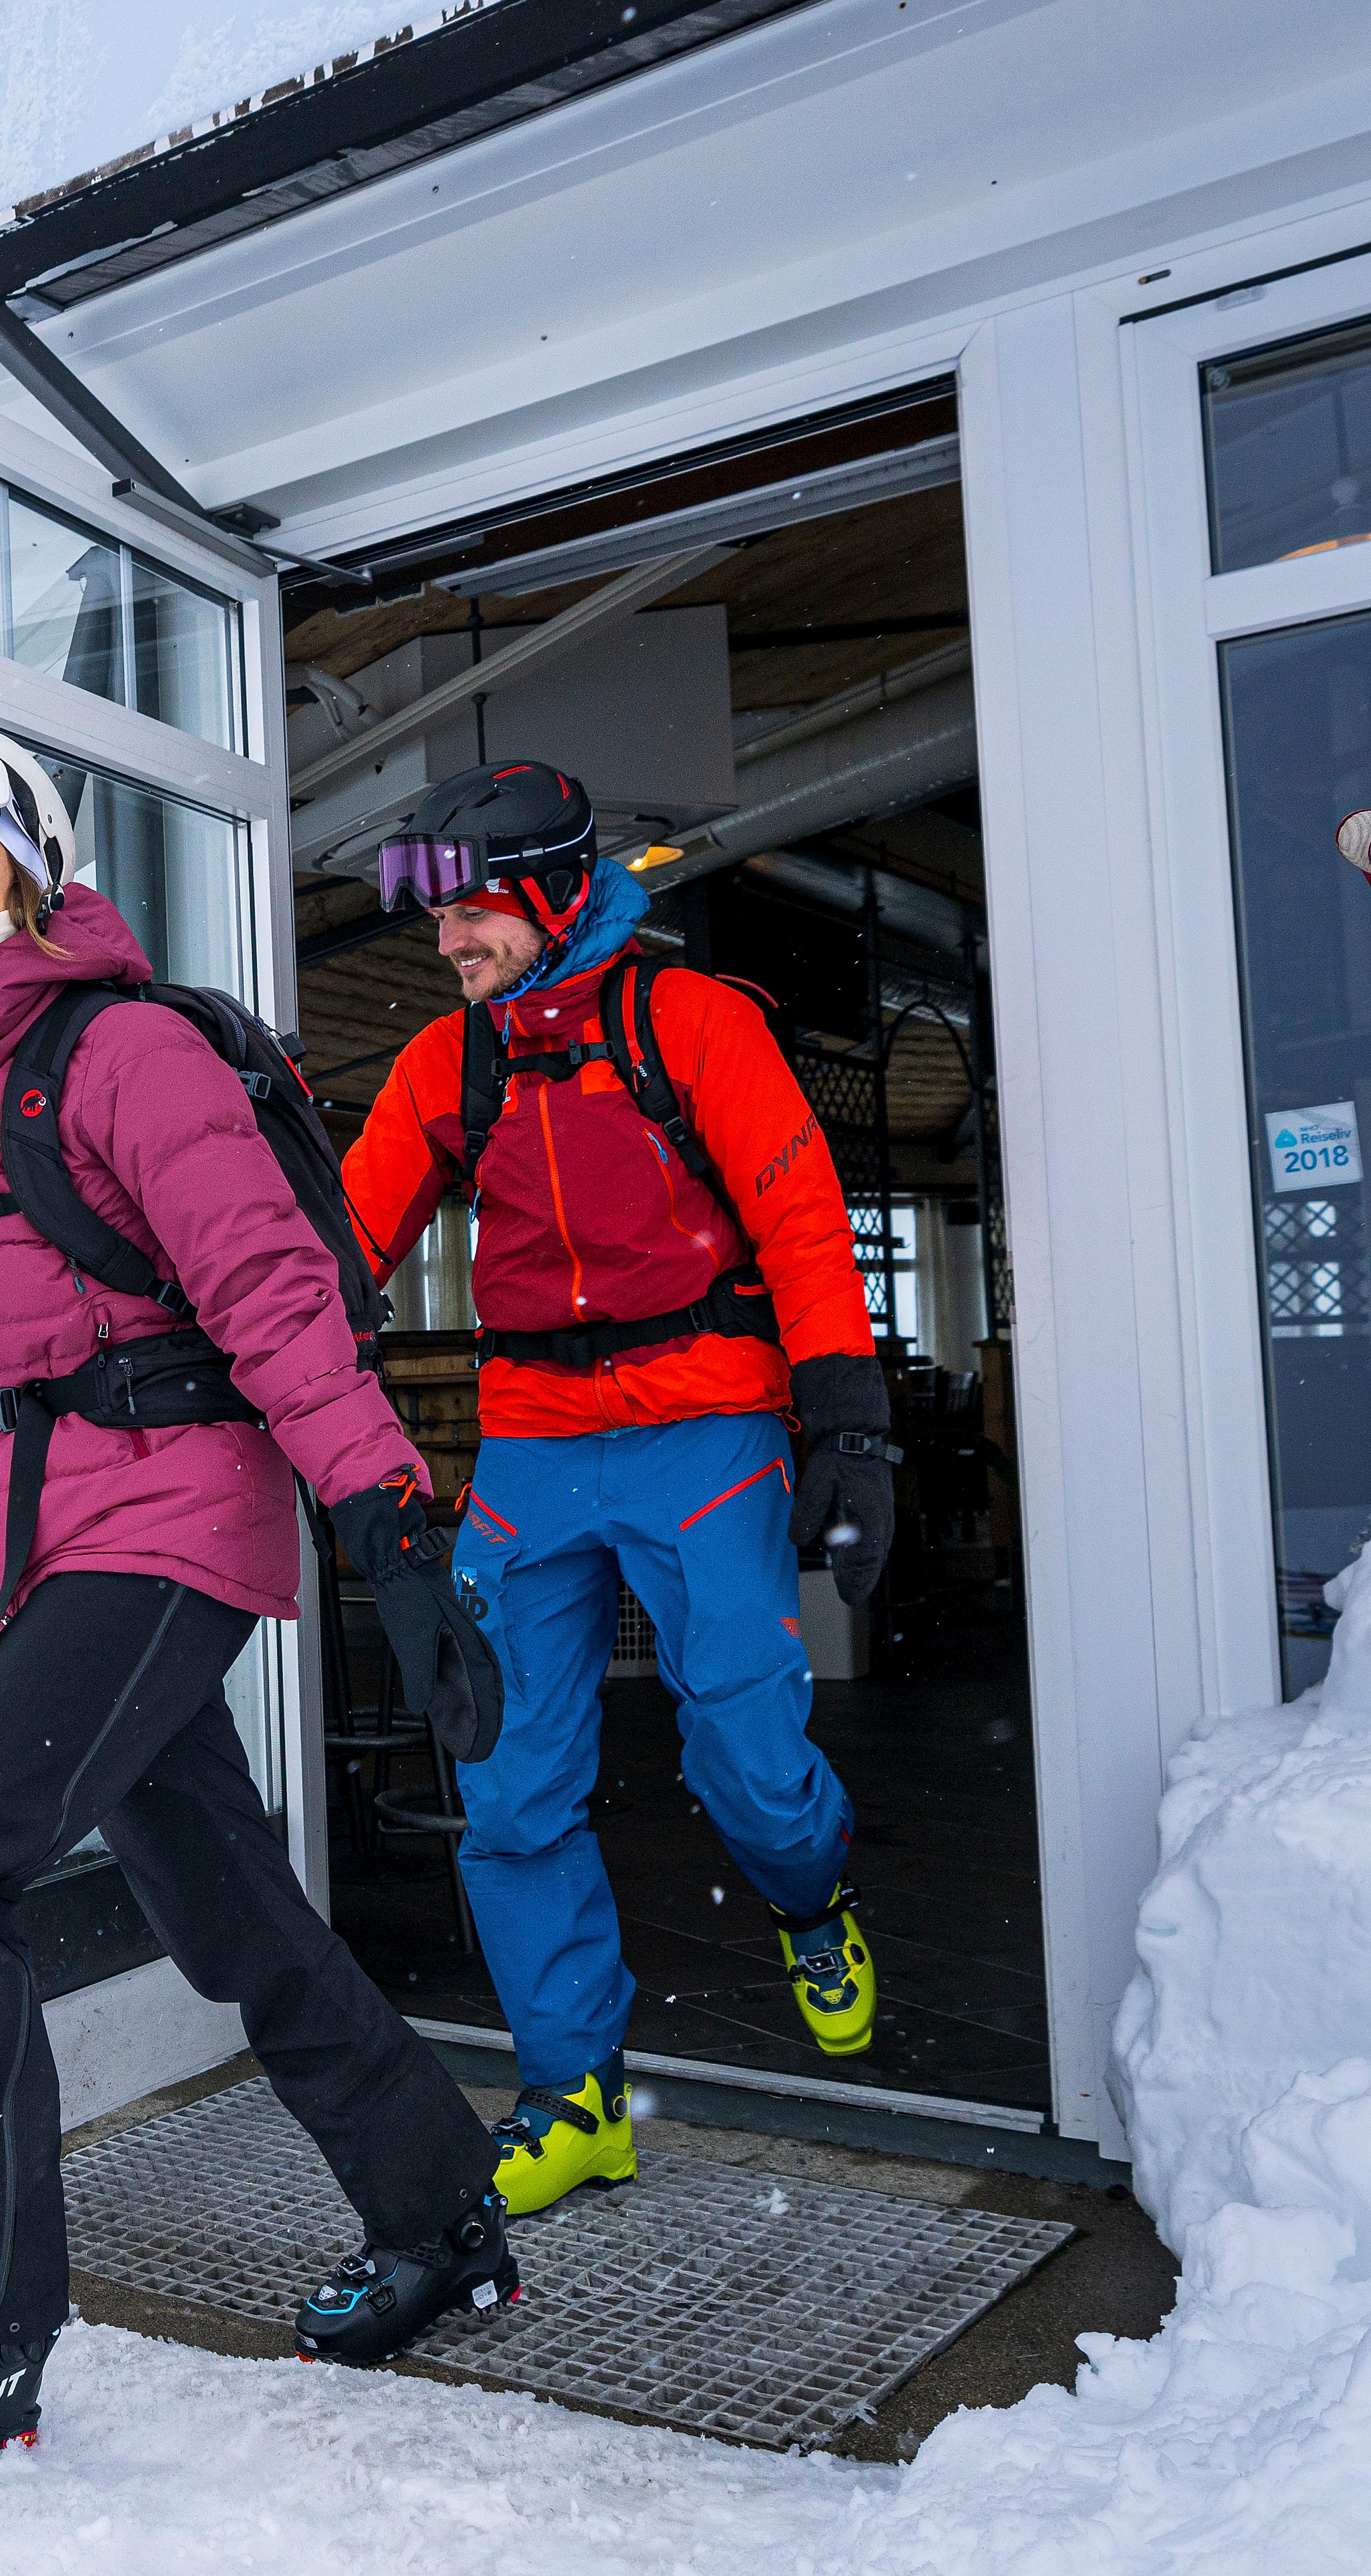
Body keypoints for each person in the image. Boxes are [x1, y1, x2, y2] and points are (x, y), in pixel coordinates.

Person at [0, 726, 516, 2452]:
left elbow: (265, 1290)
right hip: (64, 1534)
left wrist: (390, 1527)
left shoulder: (121, 1048)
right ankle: (440, 2220)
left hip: (168, 1515)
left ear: (35, 865)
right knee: (227, 1906)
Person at [339, 759, 896, 2220]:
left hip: (709, 1423)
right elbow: (346, 1241)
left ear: (556, 893)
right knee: (508, 1779)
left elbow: (798, 1211)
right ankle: (575, 2095)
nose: (450, 949)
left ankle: (808, 1896)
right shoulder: (448, 1065)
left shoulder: (688, 1021)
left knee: (751, 1755)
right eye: (442, 925)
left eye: (474, 920)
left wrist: (848, 1415)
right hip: (533, 1441)